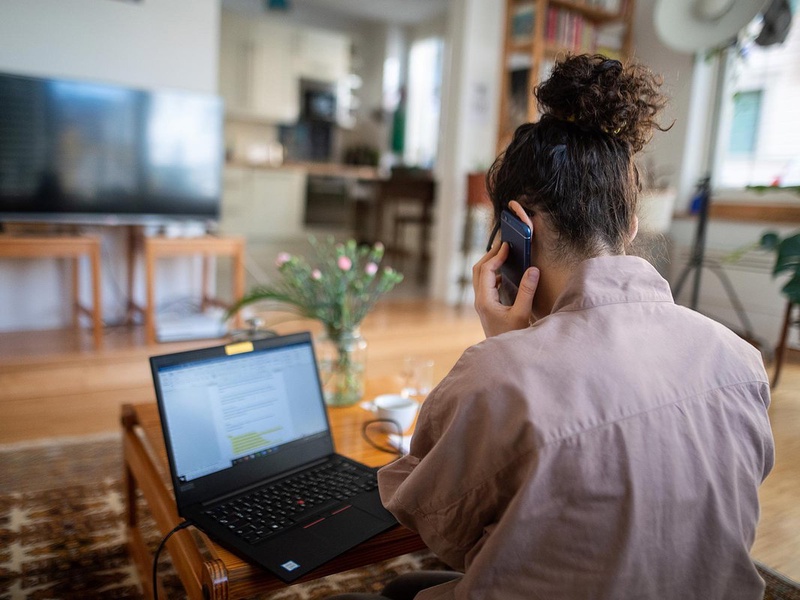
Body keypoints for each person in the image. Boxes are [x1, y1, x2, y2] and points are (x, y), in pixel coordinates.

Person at [328, 54, 774, 600]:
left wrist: (510, 349)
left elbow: (432, 520)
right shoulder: (740, 359)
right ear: (630, 224)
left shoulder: (497, 377)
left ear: (515, 226)